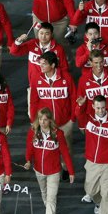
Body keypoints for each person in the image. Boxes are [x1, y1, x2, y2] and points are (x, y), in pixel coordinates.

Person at [24, 108, 74, 214]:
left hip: (54, 172)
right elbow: (29, 149)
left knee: (51, 199)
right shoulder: (33, 132)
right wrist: (28, 161)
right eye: (40, 119)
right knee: (44, 194)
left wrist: (70, 171)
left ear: (50, 120)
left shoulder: (58, 134)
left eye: (45, 119)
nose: (42, 122)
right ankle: (50, 213)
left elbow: (65, 154)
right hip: (39, 171)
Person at [30, 51, 76, 180]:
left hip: (64, 123)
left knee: (66, 150)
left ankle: (66, 168)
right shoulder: (36, 78)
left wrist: (72, 119)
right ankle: (53, 174)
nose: (41, 66)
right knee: (49, 150)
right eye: (40, 63)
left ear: (53, 65)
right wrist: (34, 121)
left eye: (44, 64)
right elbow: (33, 101)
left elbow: (74, 98)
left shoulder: (66, 77)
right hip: (45, 124)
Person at [77, 50, 108, 122]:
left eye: (101, 62)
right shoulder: (83, 80)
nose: (99, 66)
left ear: (104, 61)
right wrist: (82, 124)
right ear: (90, 63)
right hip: (93, 123)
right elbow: (81, 104)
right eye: (96, 63)